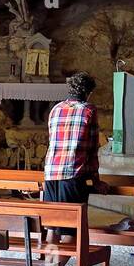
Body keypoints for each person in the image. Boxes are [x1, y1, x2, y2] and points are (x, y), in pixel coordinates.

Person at [42, 72, 107, 204]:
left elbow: (52, 142)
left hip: (50, 173)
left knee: (53, 220)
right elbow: (92, 149)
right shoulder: (89, 110)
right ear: (88, 93)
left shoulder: (56, 109)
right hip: (72, 174)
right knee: (72, 221)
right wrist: (96, 181)